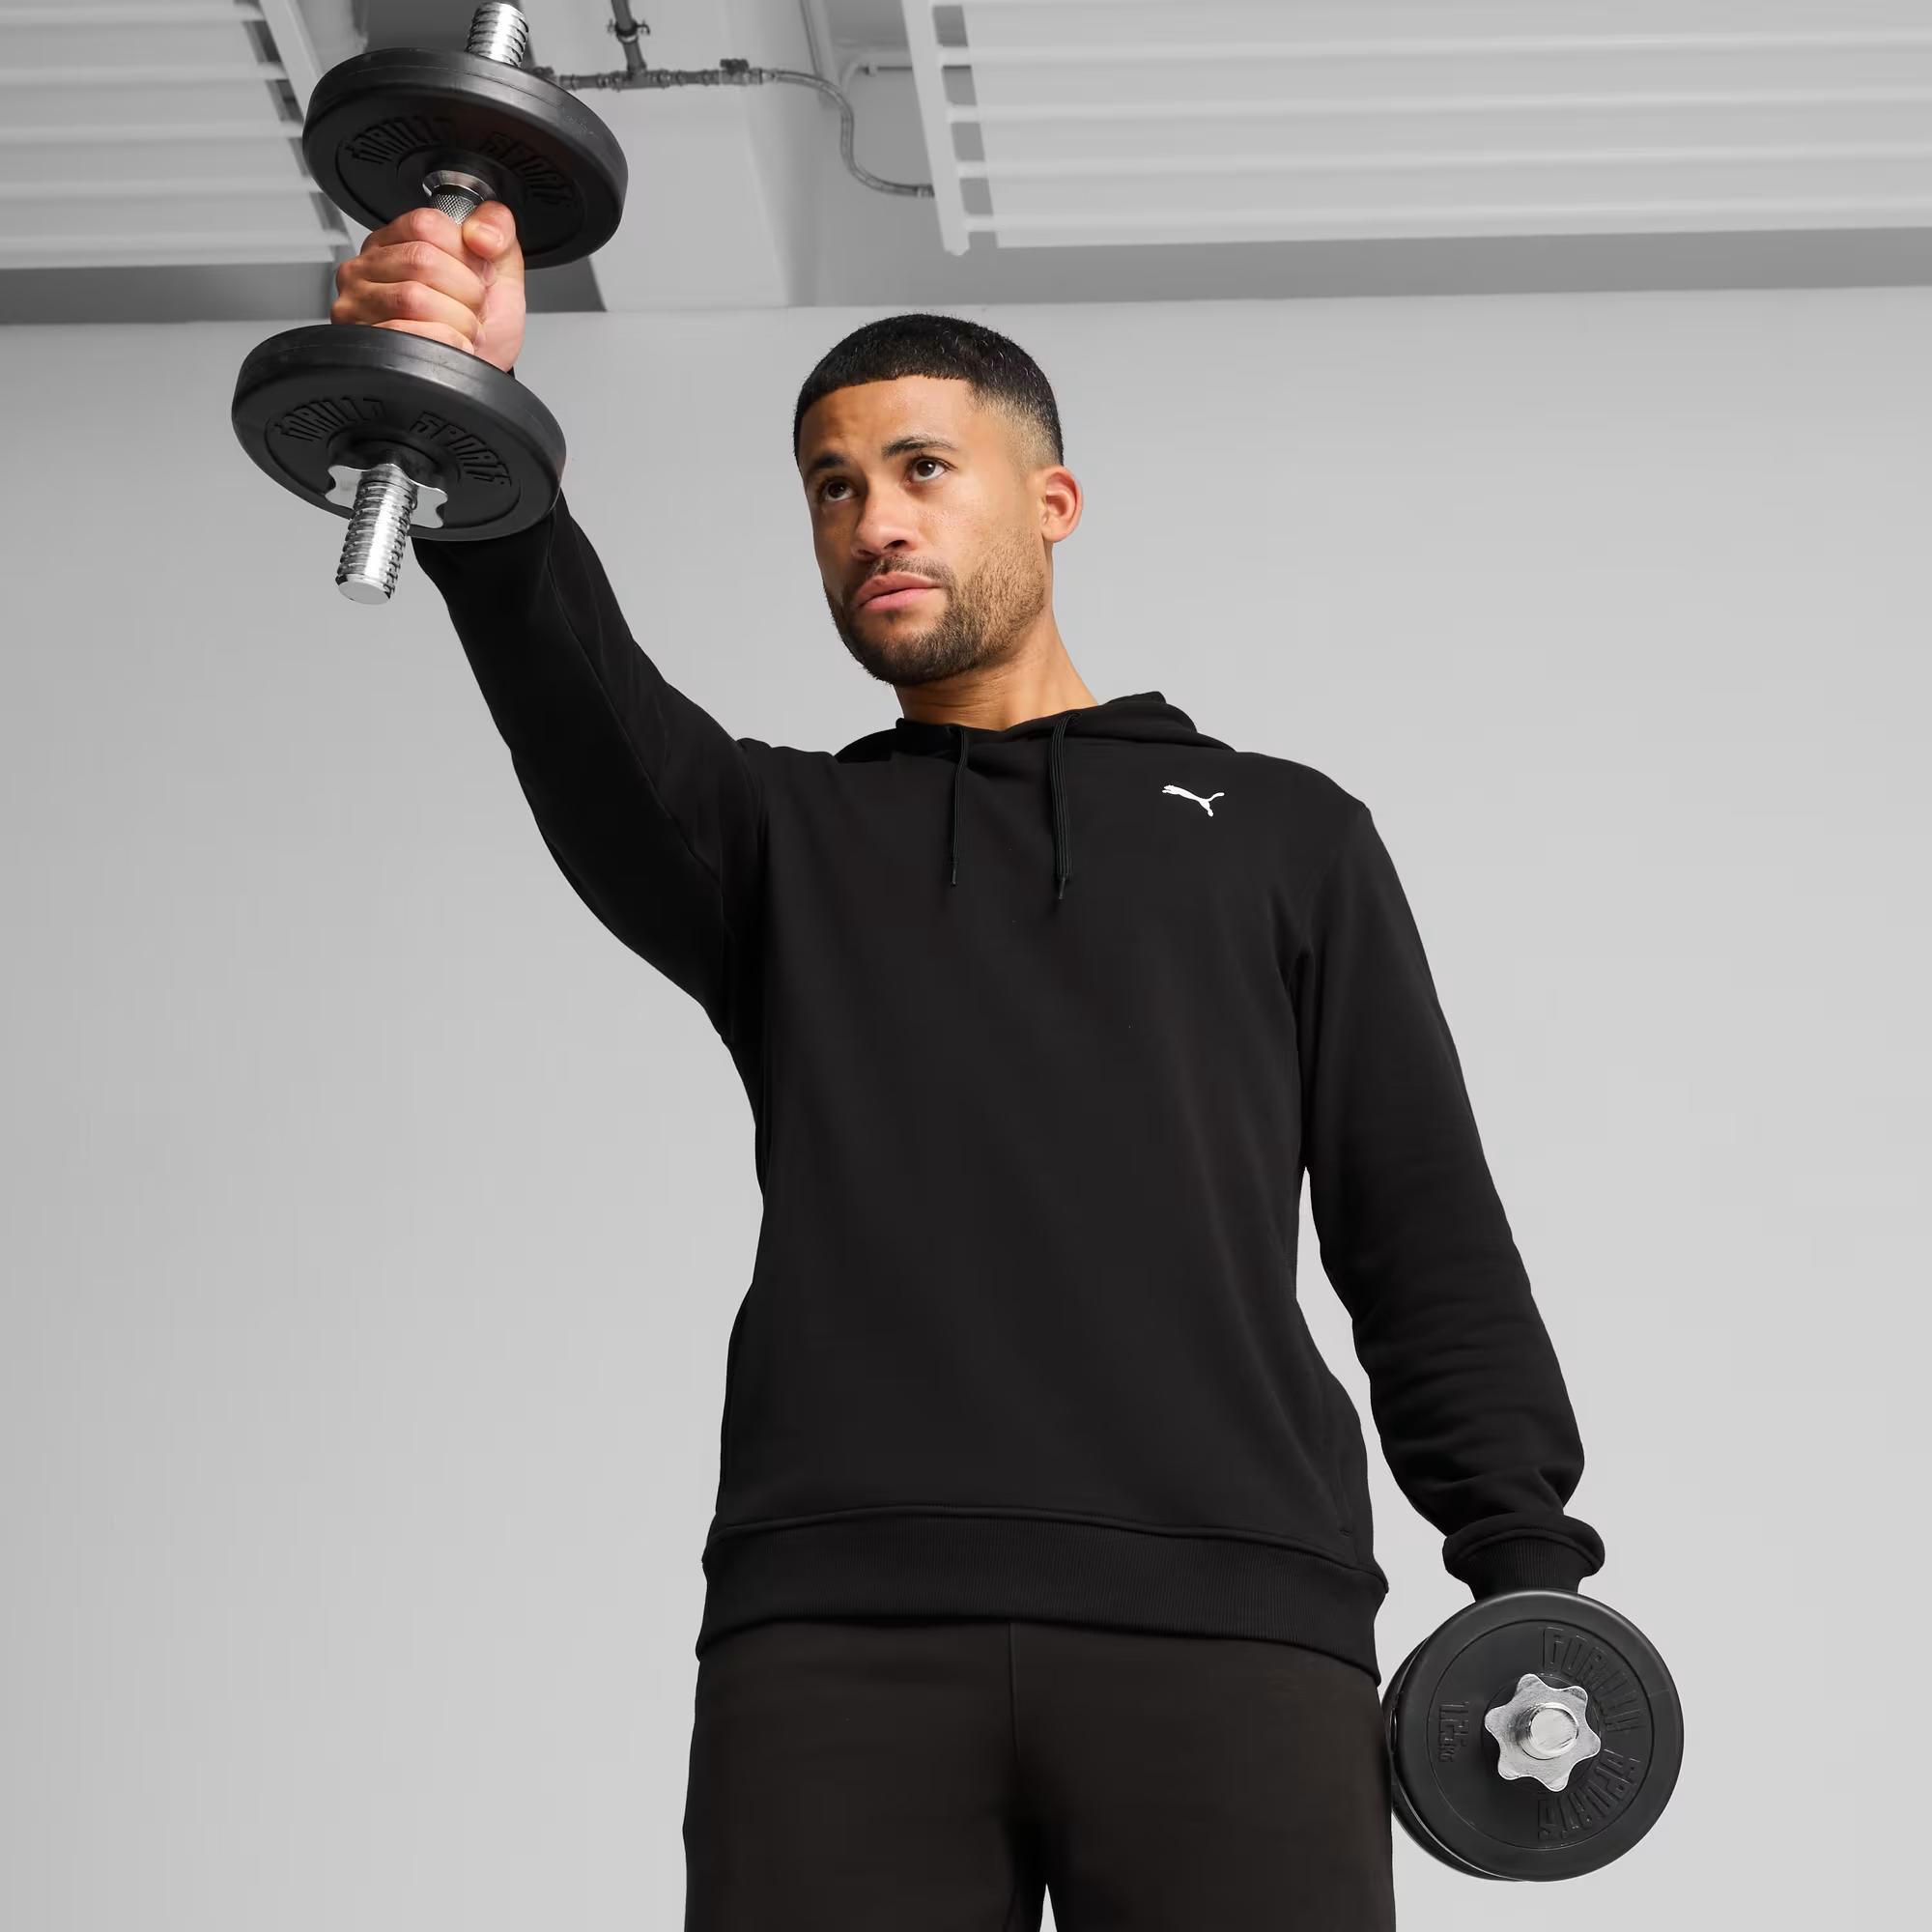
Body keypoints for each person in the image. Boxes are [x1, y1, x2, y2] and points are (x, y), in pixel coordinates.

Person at [329, 201, 1606, 1931]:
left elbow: (1420, 1227)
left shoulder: (1283, 835)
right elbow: (576, 698)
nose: (873, 520)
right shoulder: (775, 842)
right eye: (832, 487)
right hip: (837, 1642)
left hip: (1232, 1626)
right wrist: (469, 419)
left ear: (1051, 502)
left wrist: (1521, 1559)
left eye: (922, 469)